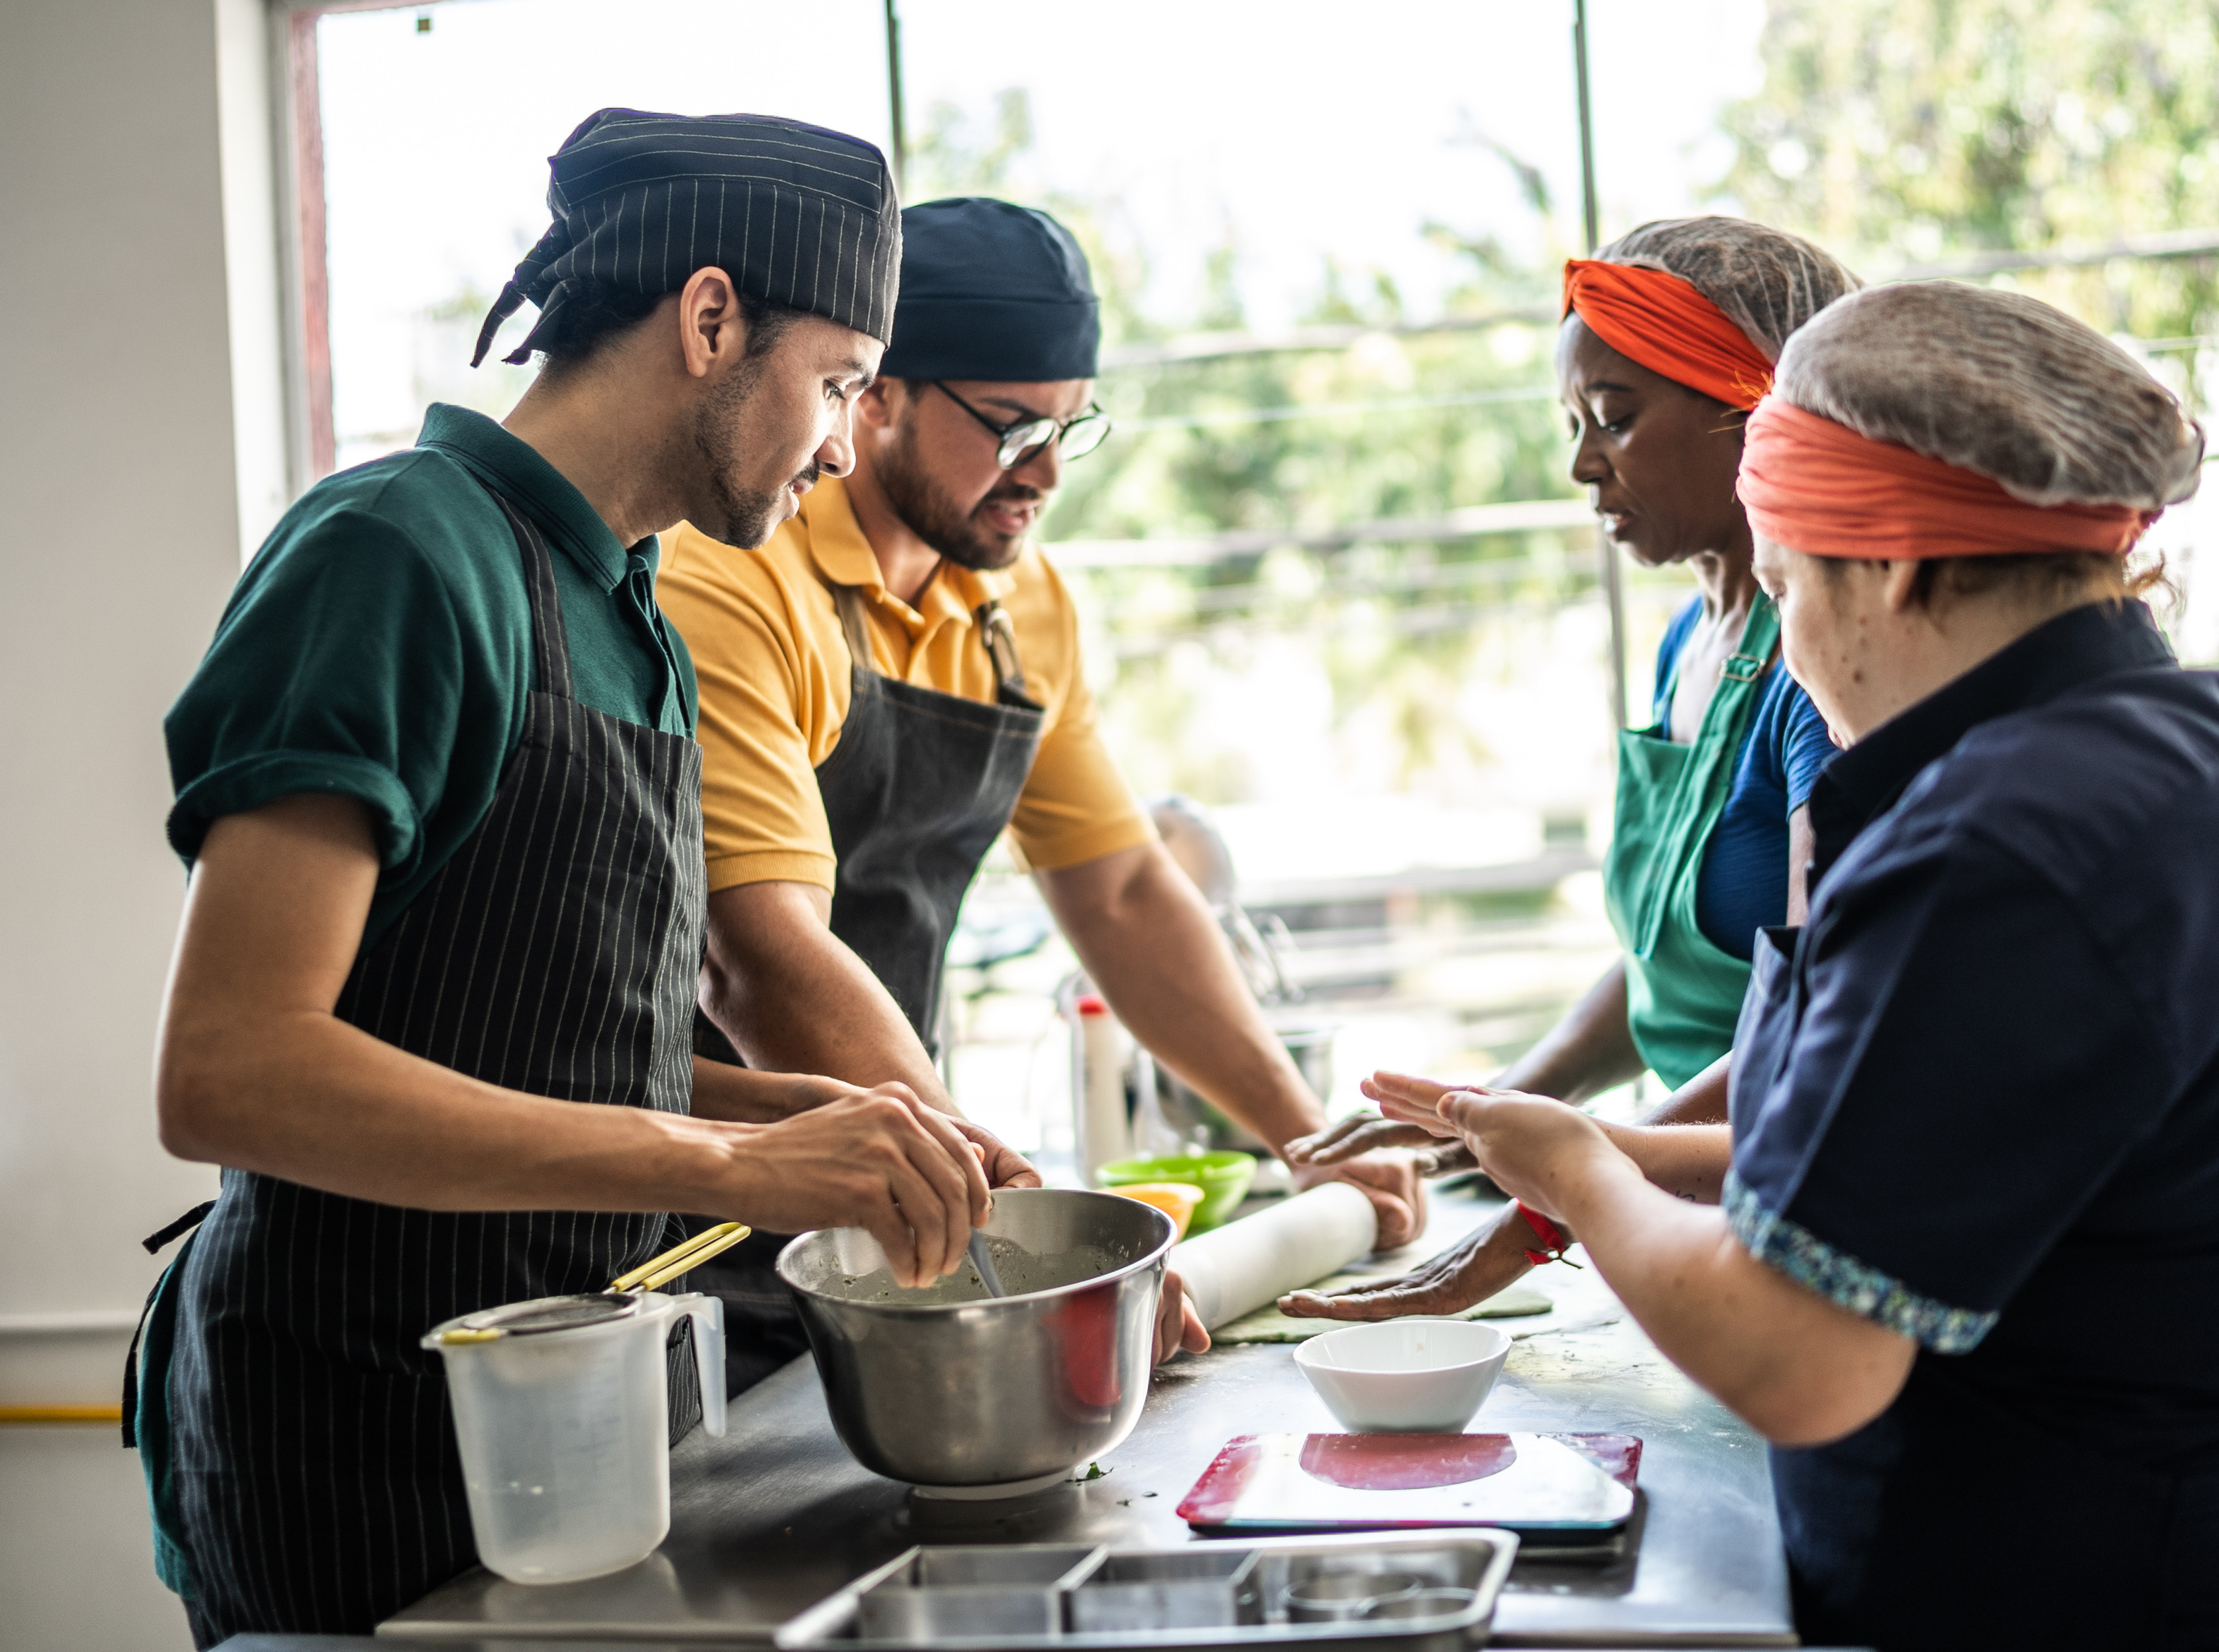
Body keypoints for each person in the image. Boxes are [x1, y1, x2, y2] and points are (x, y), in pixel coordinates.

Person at [137, 110, 1017, 1647]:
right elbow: (230, 1070)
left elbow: (526, 1042)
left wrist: (799, 1112)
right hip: (350, 1443)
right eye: (837, 383)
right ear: (709, 317)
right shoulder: (394, 555)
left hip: (555, 1441)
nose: (837, 444)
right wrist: (724, 1167)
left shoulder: (634, 617)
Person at [1361, 282, 2219, 1650]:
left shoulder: (1999, 846)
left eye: (1784, 585)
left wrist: (1581, 1177)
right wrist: (1589, 1145)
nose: (1786, 640)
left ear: (1894, 566)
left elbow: (1800, 1361)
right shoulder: (2194, 745)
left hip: (2061, 1593)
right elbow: (1940, 1149)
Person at [655, 197, 1422, 1380]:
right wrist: (1017, 1227)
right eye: (1013, 429)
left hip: (910, 1196)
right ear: (876, 395)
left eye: (1073, 427)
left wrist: (1308, 1135)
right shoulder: (733, 574)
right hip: (687, 1223)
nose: (1049, 472)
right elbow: (758, 955)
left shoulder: (1025, 607)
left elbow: (1118, 892)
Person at [1284, 217, 1852, 1319]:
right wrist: (1497, 1105)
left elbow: (1812, 1028)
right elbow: (1661, 959)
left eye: (1616, 418)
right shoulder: (1695, 639)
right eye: (1575, 423)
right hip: (1677, 1203)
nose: (1583, 461)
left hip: (1783, 1212)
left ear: (1753, 408)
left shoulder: (1827, 674)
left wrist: (1554, 1199)